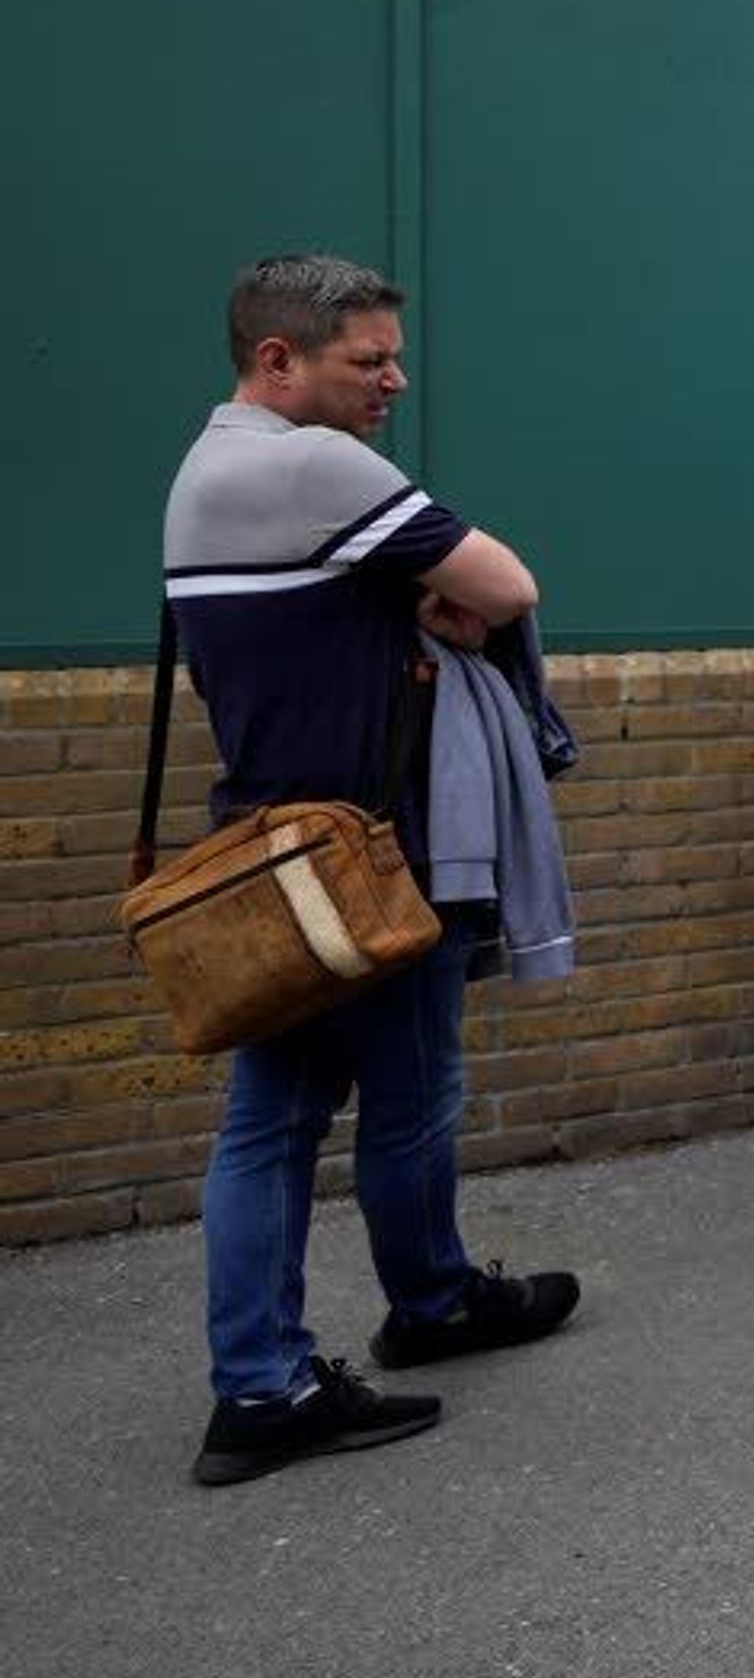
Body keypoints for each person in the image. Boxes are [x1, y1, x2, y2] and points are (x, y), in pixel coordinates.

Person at [163, 254, 578, 1487]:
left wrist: (411, 605)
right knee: (341, 1107)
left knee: (321, 1106)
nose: (395, 378)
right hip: (366, 850)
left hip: (276, 838)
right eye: (369, 360)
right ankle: (292, 1373)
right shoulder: (314, 464)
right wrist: (445, 604)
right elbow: (506, 586)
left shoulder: (204, 469)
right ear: (278, 360)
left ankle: (366, 1326)